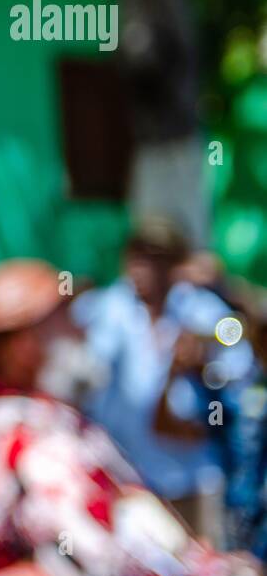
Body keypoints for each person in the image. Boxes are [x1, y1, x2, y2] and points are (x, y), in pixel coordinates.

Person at [0, 260, 260, 576]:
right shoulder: (25, 435)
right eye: (65, 319)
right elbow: (96, 566)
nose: (82, 332)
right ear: (23, 345)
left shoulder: (36, 421)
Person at [72, 218, 255, 543]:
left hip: (189, 477)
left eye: (155, 259)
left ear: (175, 265)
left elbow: (241, 368)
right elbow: (86, 364)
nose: (143, 269)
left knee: (196, 563)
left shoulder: (203, 309)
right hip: (126, 476)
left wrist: (204, 364)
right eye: (136, 257)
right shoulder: (111, 307)